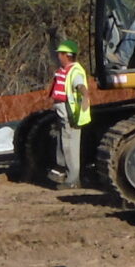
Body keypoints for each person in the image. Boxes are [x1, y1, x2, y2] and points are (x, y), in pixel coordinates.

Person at [48, 38, 91, 187]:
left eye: (60, 54)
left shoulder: (75, 71)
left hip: (70, 115)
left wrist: (86, 96)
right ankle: (63, 174)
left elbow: (79, 84)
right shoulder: (65, 70)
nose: (58, 56)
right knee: (63, 145)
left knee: (70, 147)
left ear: (67, 55)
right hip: (63, 114)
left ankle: (72, 180)